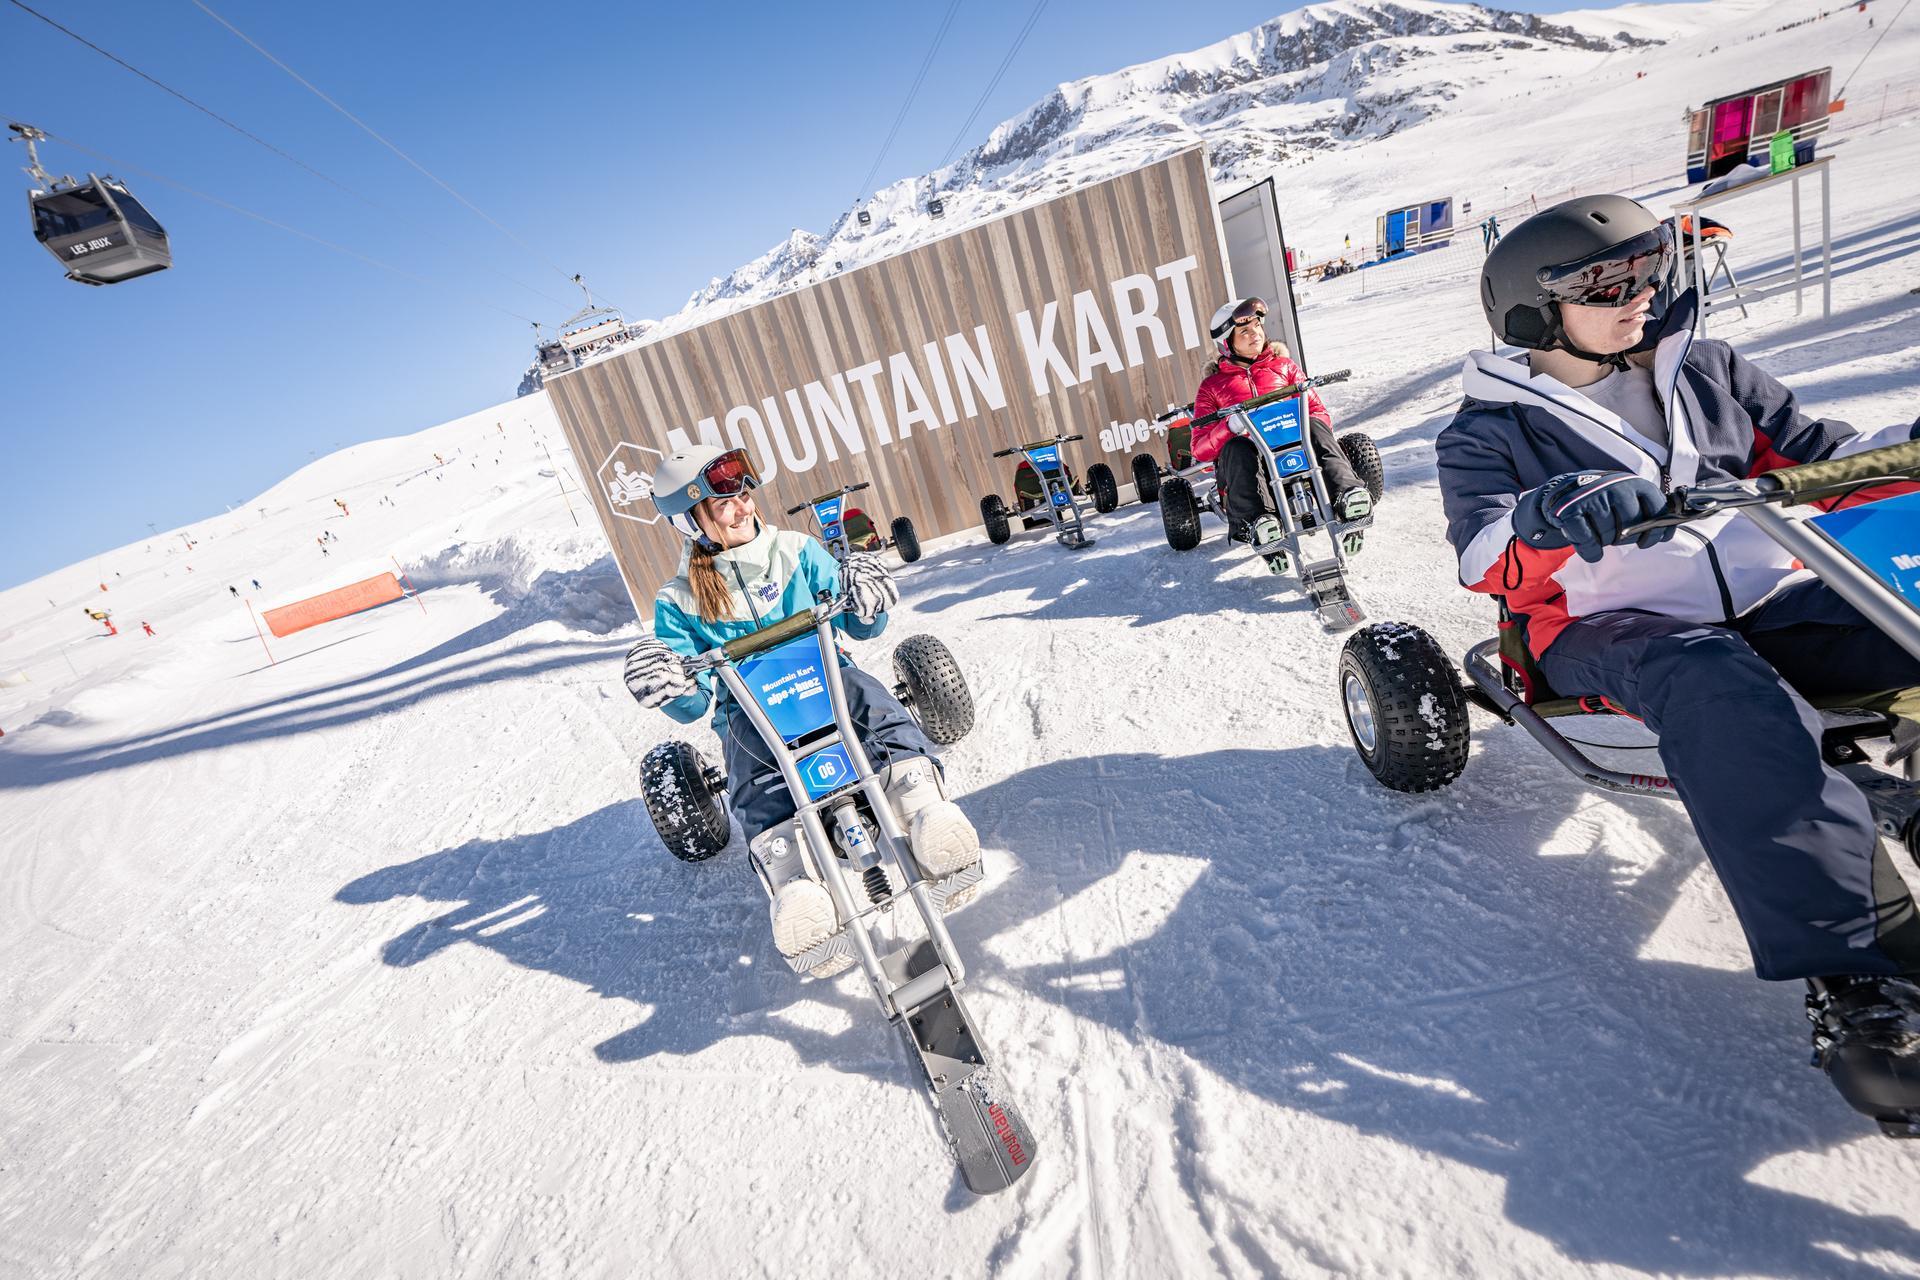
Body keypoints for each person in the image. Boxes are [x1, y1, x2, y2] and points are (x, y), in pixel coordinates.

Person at [1439, 193, 1920, 1123]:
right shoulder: (1487, 428)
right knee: (1717, 685)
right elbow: (1481, 553)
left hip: (1770, 597)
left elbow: (1822, 454)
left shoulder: (1708, 369)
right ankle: (1862, 976)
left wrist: (1898, 453)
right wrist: (1549, 516)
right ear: (1533, 311)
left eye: (1648, 271)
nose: (1638, 295)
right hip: (1613, 628)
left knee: (1903, 608)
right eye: (1606, 283)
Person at [620, 445, 982, 975]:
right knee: (748, 758)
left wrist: (865, 595)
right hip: (750, 712)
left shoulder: (797, 550)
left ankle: (924, 809)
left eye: (744, 495)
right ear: (691, 522)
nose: (743, 508)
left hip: (829, 678)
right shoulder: (678, 601)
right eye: (725, 505)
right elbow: (695, 701)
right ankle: (795, 885)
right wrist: (667, 682)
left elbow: (859, 626)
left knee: (869, 698)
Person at [1190, 297, 1372, 565]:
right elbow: (1200, 449)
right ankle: (1259, 524)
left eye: (1257, 326)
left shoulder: (1285, 367)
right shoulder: (1212, 387)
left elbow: (1318, 411)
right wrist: (1230, 427)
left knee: (1315, 425)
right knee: (1236, 448)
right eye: (1244, 331)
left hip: (1296, 451)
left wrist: (1296, 421)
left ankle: (1348, 497)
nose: (1255, 334)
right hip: (1255, 467)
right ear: (1226, 342)